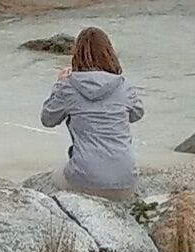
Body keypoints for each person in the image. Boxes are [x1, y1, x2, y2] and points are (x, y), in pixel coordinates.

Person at [39, 26, 144, 198]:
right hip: (126, 181)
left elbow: (47, 119)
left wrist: (60, 84)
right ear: (109, 53)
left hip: (85, 180)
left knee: (53, 178)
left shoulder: (69, 86)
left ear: (76, 55)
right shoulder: (123, 85)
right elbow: (137, 114)